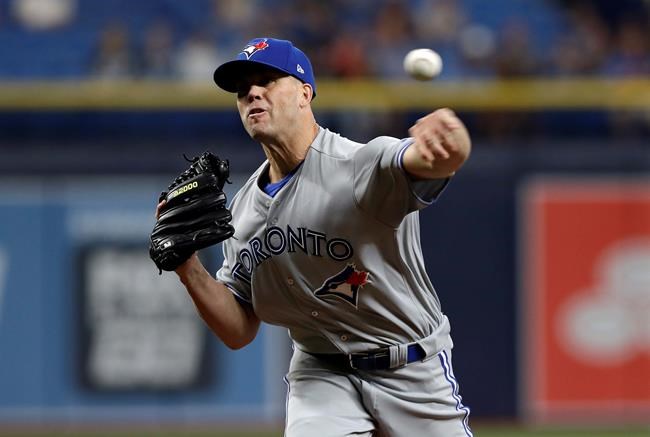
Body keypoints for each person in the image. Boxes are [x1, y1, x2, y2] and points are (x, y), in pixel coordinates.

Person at [164, 37, 473, 436]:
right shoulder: (240, 214)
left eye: (268, 80)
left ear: (305, 94)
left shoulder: (358, 165)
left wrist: (453, 141)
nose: (253, 93)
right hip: (321, 372)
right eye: (243, 90)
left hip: (410, 367)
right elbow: (238, 329)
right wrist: (188, 268)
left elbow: (435, 159)